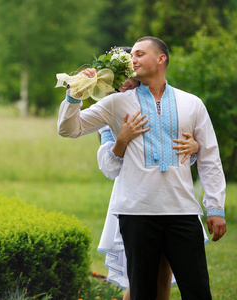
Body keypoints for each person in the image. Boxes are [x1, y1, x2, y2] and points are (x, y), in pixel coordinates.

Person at [57, 36, 226, 299]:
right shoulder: (116, 103)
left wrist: (215, 207)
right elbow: (69, 129)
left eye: (139, 54)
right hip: (136, 214)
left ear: (161, 59)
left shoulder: (192, 103)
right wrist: (73, 96)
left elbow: (210, 157)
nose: (132, 59)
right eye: (131, 55)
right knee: (141, 293)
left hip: (182, 212)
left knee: (198, 291)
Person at [97, 79, 206, 300]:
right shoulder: (112, 110)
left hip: (172, 197)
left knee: (165, 269)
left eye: (130, 82)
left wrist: (196, 147)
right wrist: (123, 138)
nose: (125, 87)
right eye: (120, 83)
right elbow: (110, 165)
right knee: (140, 277)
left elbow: (177, 146)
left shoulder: (166, 105)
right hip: (135, 196)